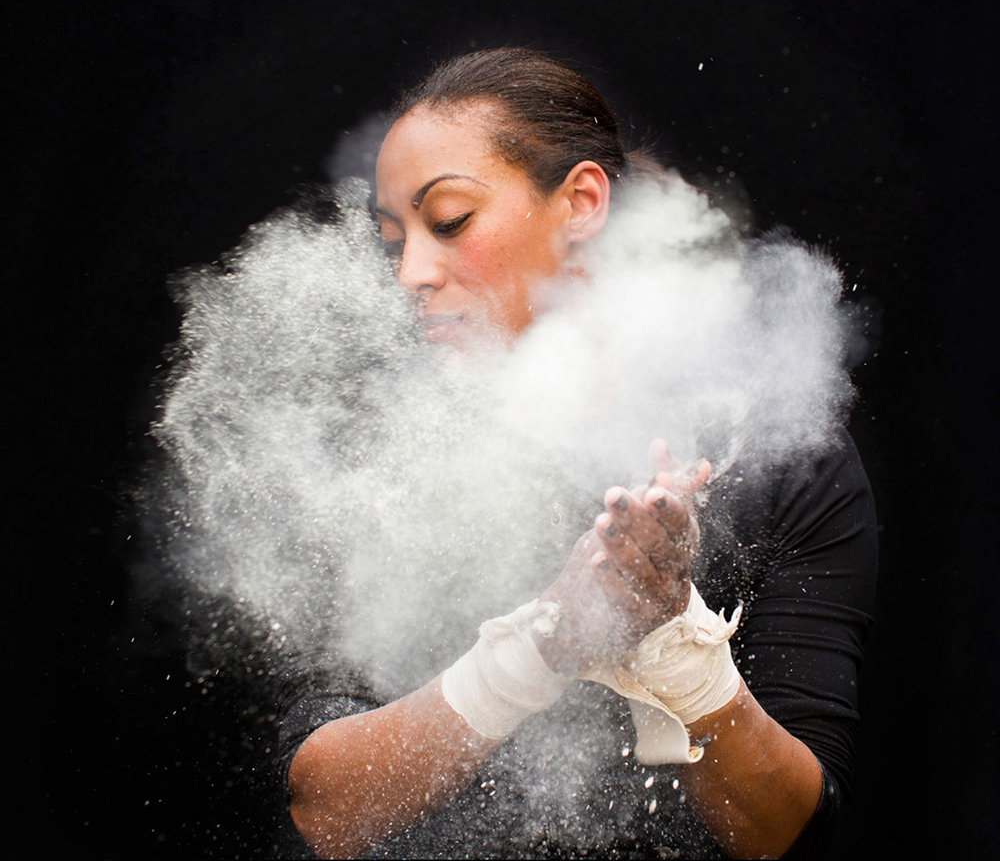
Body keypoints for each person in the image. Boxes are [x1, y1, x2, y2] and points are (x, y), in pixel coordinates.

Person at [279, 48, 877, 860]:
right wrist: (545, 645)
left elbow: (793, 834)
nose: (411, 273)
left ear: (582, 201)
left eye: (449, 220)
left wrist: (677, 641)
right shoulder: (379, 457)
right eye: (394, 242)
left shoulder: (772, 448)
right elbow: (325, 808)